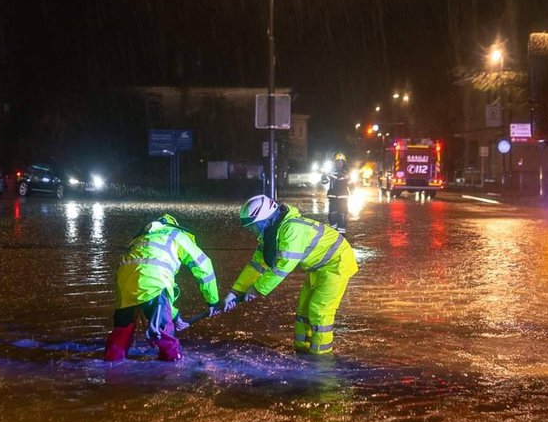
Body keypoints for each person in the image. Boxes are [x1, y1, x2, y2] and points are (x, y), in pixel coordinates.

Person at [223, 195, 358, 355]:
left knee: (319, 310)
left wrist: (256, 289)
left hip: (336, 264)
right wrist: (235, 292)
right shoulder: (271, 232)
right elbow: (257, 264)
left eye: (254, 226)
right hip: (318, 268)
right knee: (303, 308)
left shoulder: (292, 229)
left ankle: (321, 358)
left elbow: (282, 267)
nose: (253, 231)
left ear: (264, 219)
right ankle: (302, 349)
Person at [104, 214, 219, 362]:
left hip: (124, 287)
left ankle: (110, 369)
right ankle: (173, 370)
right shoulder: (177, 235)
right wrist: (213, 301)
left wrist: (175, 316)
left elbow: (142, 282)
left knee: (121, 334)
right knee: (164, 336)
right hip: (154, 283)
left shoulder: (140, 238)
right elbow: (204, 267)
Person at [321, 152, 353, 233]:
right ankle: (333, 234)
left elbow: (351, 184)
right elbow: (324, 181)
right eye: (338, 162)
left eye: (341, 162)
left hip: (343, 199)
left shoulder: (347, 174)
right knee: (332, 216)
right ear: (335, 163)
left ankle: (342, 236)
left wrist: (352, 190)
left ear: (344, 163)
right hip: (333, 198)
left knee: (342, 217)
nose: (339, 164)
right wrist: (324, 174)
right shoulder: (331, 173)